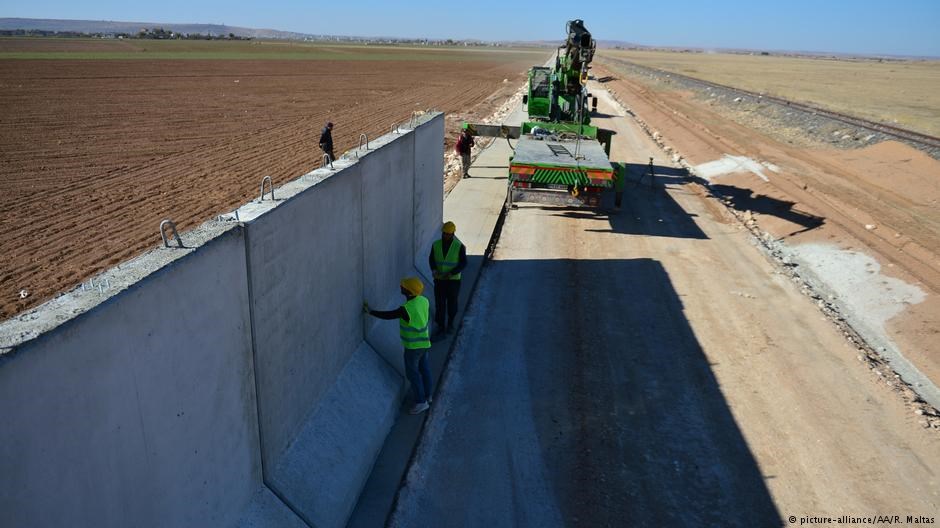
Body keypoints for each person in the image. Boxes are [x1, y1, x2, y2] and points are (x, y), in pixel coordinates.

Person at [363, 277, 433, 414]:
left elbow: (389, 315)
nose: (401, 286)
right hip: (424, 343)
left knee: (413, 374)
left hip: (413, 348)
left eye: (404, 286)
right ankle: (428, 395)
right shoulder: (424, 300)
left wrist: (370, 311)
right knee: (424, 370)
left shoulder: (406, 309)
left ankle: (420, 402)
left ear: (409, 292)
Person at [428, 221, 467, 336]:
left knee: (452, 303)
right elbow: (432, 260)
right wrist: (434, 270)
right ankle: (440, 325)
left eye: (448, 234)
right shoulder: (436, 245)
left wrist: (452, 273)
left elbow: (463, 263)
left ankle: (450, 323)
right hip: (440, 280)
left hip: (453, 281)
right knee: (440, 304)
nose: (446, 235)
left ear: (453, 234)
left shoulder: (458, 246)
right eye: (444, 233)